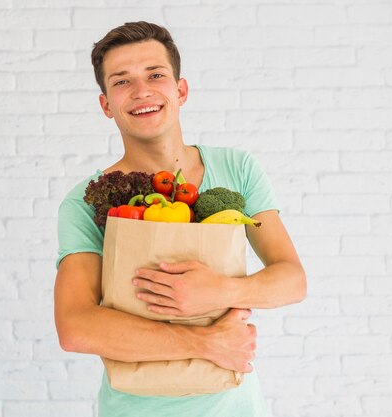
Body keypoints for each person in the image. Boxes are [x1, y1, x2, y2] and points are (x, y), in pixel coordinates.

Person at [54, 21, 306, 417]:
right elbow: (75, 327)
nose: (142, 91)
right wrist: (205, 343)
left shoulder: (236, 168)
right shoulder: (85, 201)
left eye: (156, 75)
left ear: (180, 90)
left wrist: (219, 291)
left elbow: (292, 279)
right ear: (106, 105)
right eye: (121, 82)